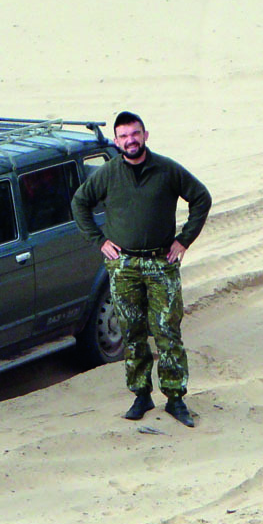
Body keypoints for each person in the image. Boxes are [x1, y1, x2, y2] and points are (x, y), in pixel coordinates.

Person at [71, 110, 211, 426]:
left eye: (135, 134)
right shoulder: (108, 174)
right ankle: (141, 395)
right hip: (125, 266)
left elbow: (201, 198)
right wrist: (99, 241)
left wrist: (184, 240)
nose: (130, 140)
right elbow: (79, 203)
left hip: (162, 262)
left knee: (167, 331)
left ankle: (175, 398)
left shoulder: (167, 169)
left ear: (145, 135)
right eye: (123, 136)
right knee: (132, 332)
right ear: (116, 141)